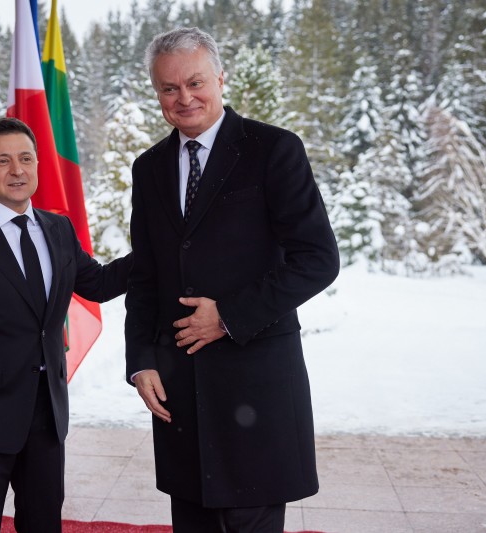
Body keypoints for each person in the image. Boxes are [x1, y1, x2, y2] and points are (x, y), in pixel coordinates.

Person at [125, 27, 340, 532]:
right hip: (180, 390)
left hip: (256, 385)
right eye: (169, 88)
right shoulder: (148, 168)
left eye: (195, 82)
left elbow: (318, 259)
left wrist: (226, 316)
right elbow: (145, 273)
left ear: (221, 79)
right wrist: (141, 360)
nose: (184, 98)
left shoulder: (274, 149)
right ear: (157, 92)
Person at [0, 117, 131, 533]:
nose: (17, 170)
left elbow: (99, 283)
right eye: (3, 161)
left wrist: (156, 249)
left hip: (46, 416)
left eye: (26, 159)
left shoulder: (58, 229)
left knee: (44, 524)